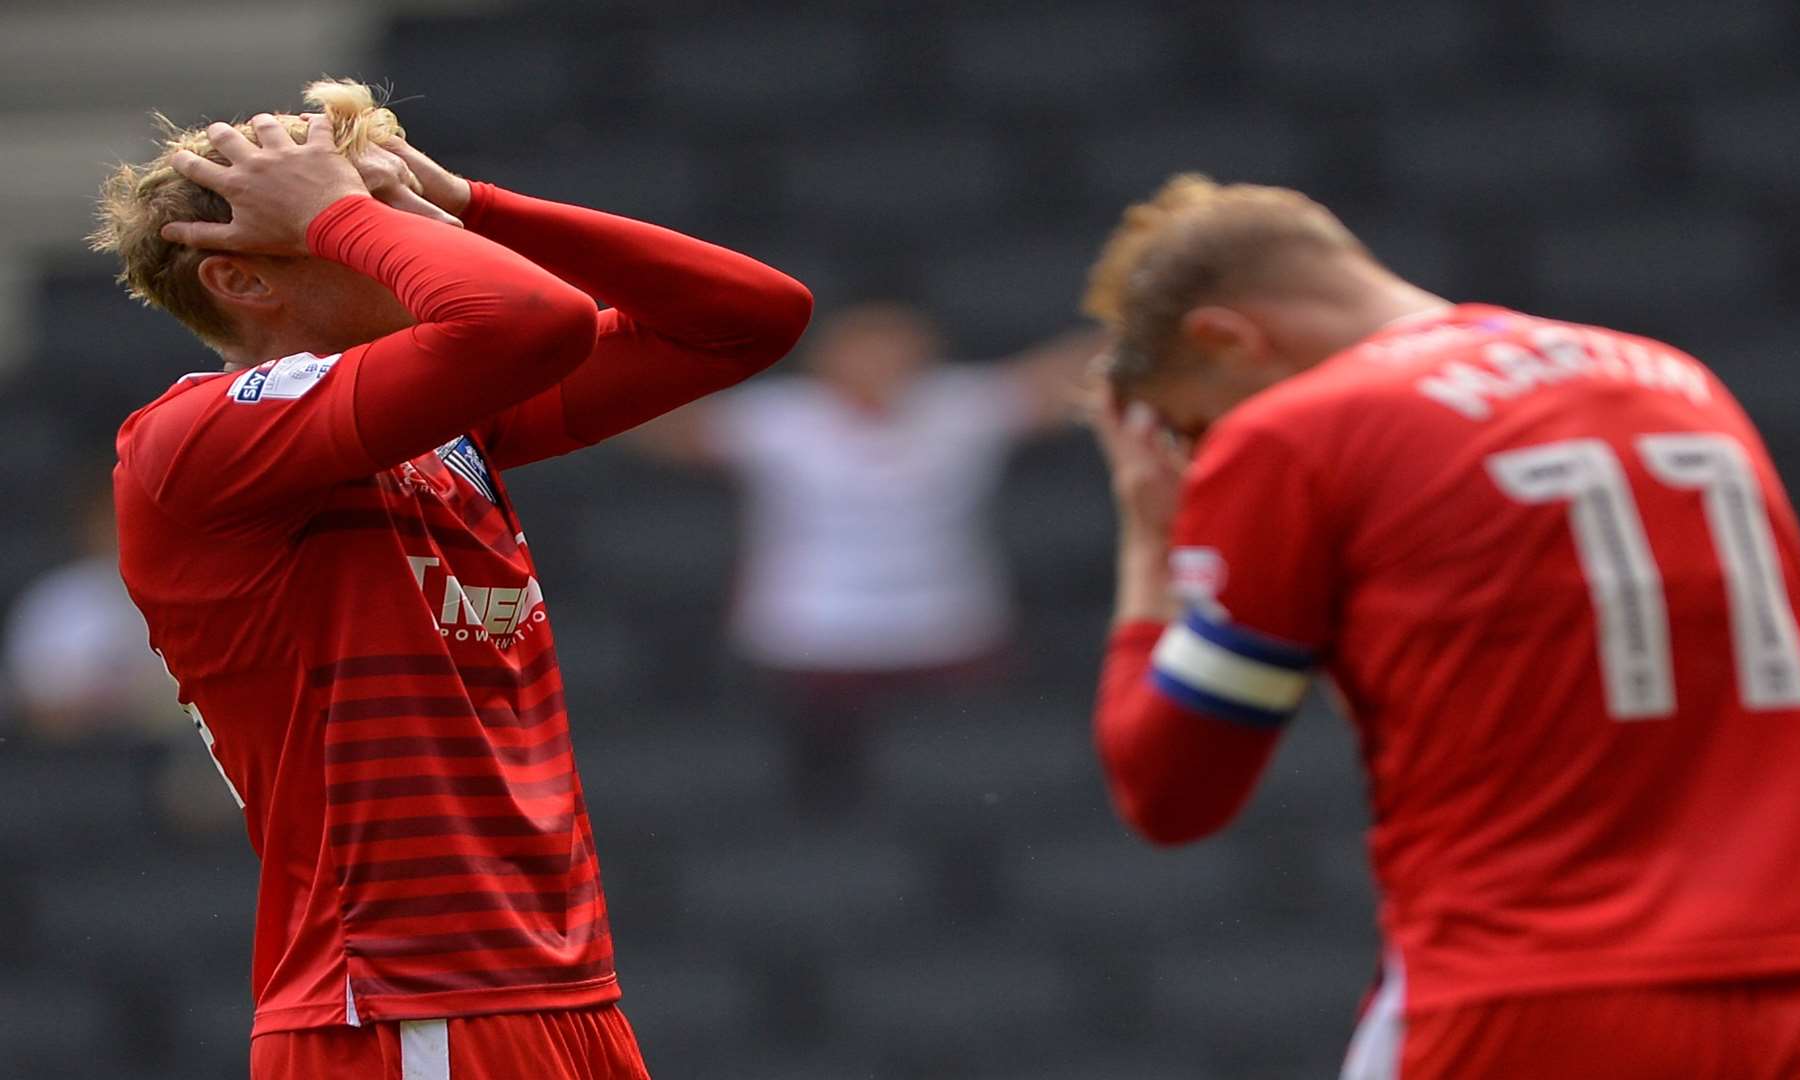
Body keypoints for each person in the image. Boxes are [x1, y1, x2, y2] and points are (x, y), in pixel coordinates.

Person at [1080, 175, 1800, 1078]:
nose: (1200, 461)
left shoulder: (1298, 432)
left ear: (1228, 339)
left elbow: (1169, 788)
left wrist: (1150, 539)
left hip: (1535, 996)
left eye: (1193, 426)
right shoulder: (1675, 379)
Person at [94, 80, 810, 1079]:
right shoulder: (195, 441)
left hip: (557, 993)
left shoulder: (441, 424)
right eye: (348, 222)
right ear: (245, 283)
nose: (392, 230)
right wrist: (346, 210)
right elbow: (533, 316)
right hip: (401, 1005)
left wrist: (468, 202)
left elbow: (752, 319)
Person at [630, 303, 1098, 812]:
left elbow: (1070, 375)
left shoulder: (960, 407)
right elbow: (661, 426)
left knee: (964, 782)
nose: (879, 366)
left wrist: (1171, 305)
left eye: (893, 351)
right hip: (811, 640)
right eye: (862, 353)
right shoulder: (782, 419)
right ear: (824, 360)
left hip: (945, 632)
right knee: (817, 798)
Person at [3, 472, 177, 742]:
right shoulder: (58, 601)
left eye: (137, 518)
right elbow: (35, 703)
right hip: (85, 761)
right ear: (89, 526)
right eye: (111, 520)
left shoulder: (192, 599)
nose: (122, 532)